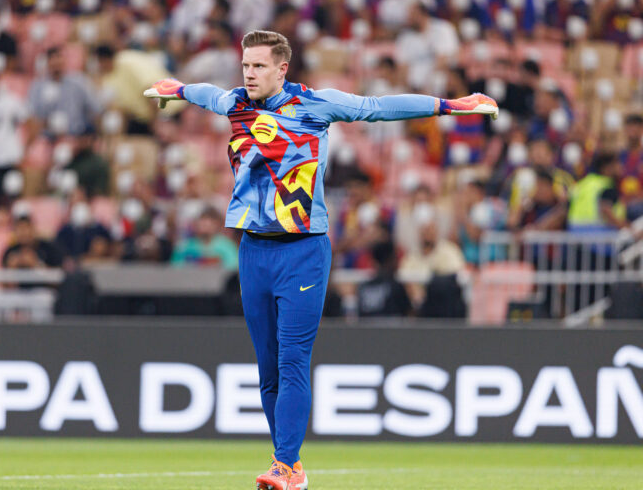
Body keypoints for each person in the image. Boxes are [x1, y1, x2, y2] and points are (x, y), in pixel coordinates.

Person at [144, 29, 498, 490]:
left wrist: (450, 106)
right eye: (245, 65)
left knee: (292, 361)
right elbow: (203, 92)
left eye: (258, 67)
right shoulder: (234, 103)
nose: (249, 74)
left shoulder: (314, 105)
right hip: (253, 251)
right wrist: (176, 89)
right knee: (267, 369)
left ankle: (286, 465)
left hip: (303, 252)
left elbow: (377, 108)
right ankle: (287, 464)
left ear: (281, 68)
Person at [171, 206, 238, 270]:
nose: (205, 224)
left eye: (210, 221)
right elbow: (175, 268)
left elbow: (232, 269)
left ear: (217, 224)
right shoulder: (185, 247)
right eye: (202, 220)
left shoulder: (227, 246)